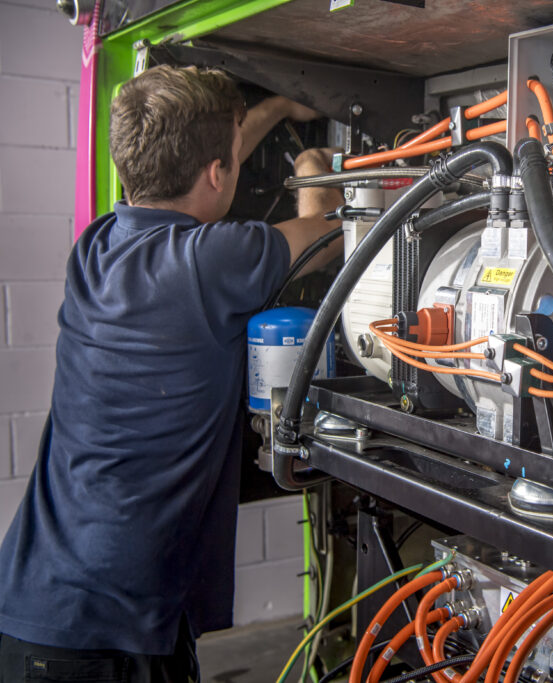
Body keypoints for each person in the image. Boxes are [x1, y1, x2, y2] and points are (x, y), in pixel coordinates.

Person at [0, 65, 344, 682]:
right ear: (217, 172)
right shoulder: (210, 261)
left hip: (36, 606)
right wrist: (316, 172)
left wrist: (276, 108)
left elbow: (201, 152)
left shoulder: (97, 246)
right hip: (112, 637)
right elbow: (327, 232)